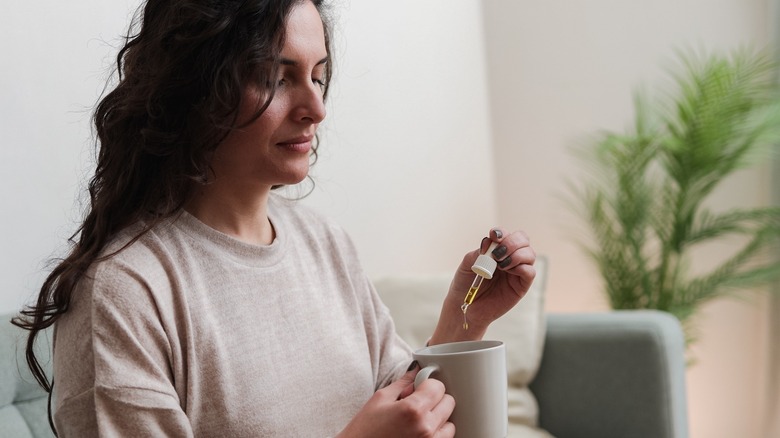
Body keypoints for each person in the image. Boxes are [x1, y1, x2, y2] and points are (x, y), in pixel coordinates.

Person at [13, 0, 537, 436]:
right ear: (196, 87)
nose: (316, 107)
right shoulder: (122, 293)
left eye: (318, 76)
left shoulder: (322, 241)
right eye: (277, 77)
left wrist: (464, 319)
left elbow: (404, 404)